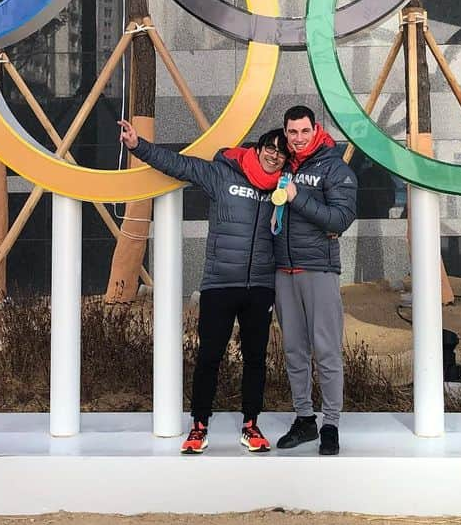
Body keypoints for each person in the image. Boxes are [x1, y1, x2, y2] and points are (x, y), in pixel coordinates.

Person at [119, 119, 289, 455]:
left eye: (281, 153)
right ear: (258, 149)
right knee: (209, 357)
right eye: (270, 148)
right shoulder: (222, 174)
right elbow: (180, 165)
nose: (275, 155)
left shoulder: (283, 188)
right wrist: (139, 146)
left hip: (260, 287)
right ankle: (199, 427)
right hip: (219, 285)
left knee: (255, 359)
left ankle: (251, 426)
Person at [273, 105, 358, 456]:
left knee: (326, 351)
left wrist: (297, 196)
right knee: (293, 349)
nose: (297, 139)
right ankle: (305, 418)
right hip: (283, 270)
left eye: (303, 131)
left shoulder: (334, 167)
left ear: (315, 129)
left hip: (319, 270)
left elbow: (339, 219)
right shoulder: (280, 161)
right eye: (291, 133)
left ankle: (331, 425)